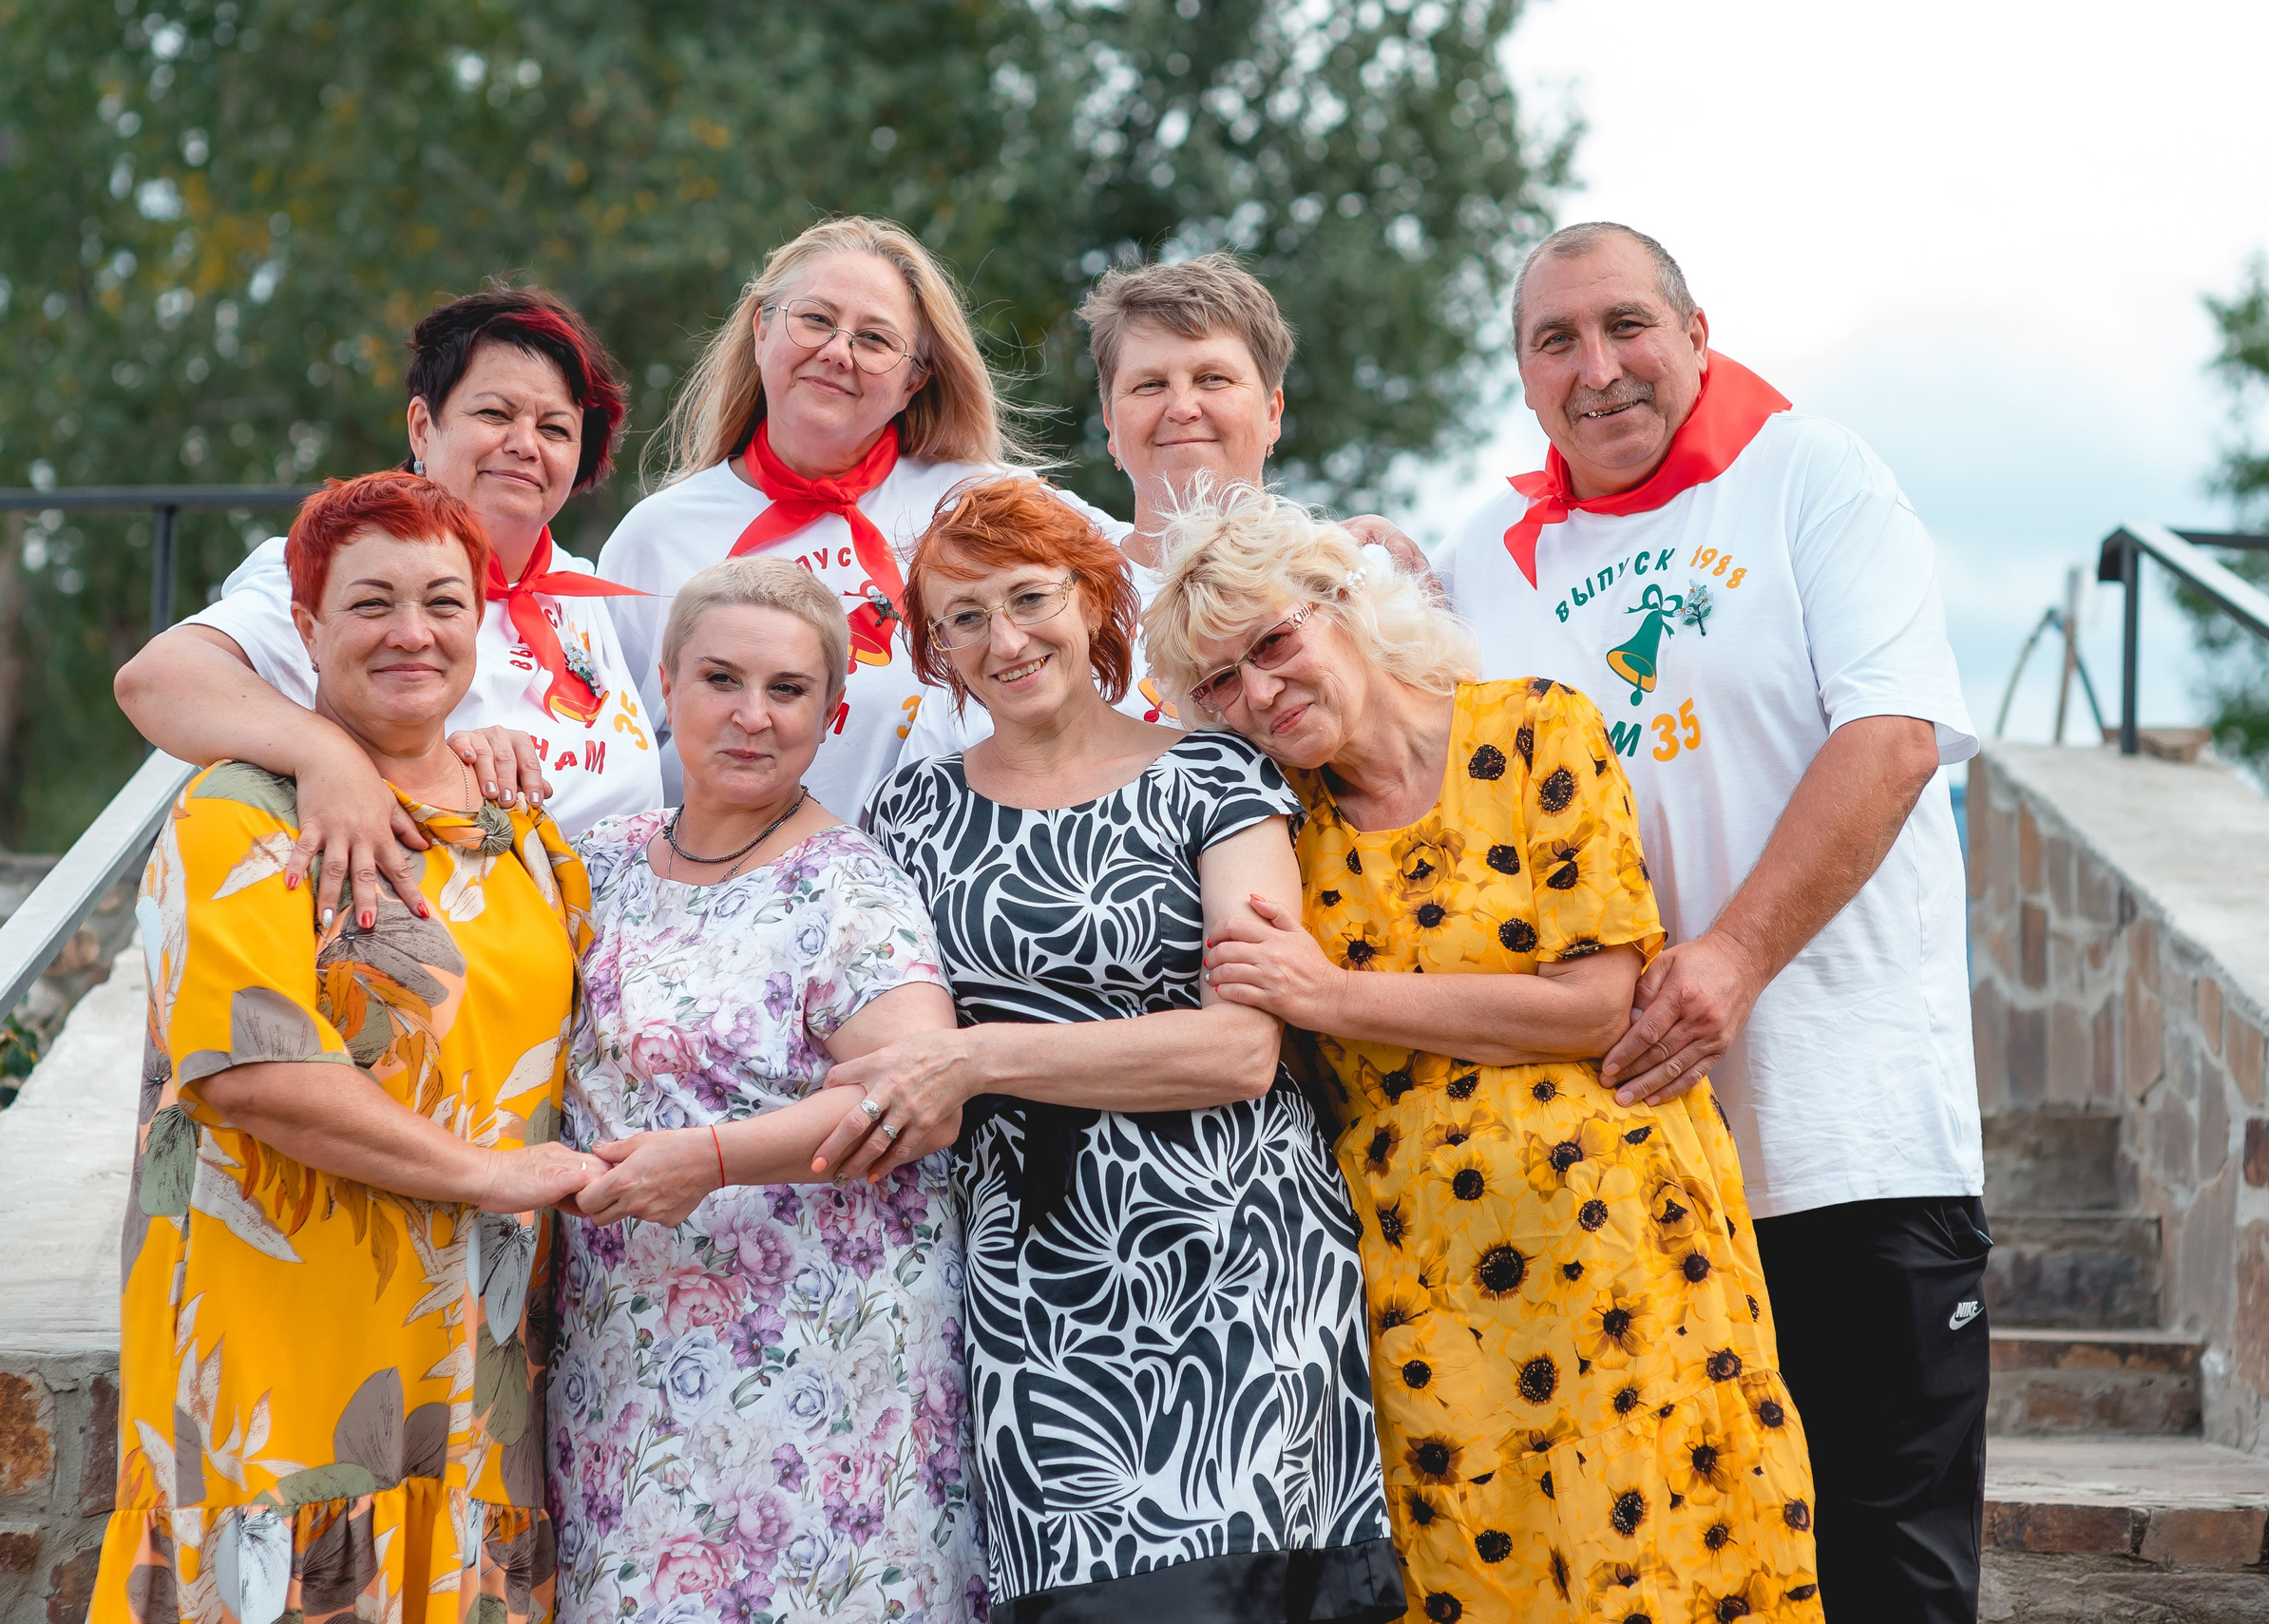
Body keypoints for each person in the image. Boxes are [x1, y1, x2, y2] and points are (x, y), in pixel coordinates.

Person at [1431, 221, 1984, 1623]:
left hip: (1847, 1137)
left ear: (1695, 331)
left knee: (1886, 1559)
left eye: (1627, 326)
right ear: (1521, 370)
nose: (1598, 368)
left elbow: (1894, 737)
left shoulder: (1812, 473)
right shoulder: (1485, 554)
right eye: (1554, 341)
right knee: (1677, 1571)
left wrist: (1731, 954)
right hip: (1616, 1163)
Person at [1146, 487, 1822, 1624]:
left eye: (1271, 642)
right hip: (1422, 1291)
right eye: (1219, 681)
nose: (1259, 691)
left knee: (1670, 1575)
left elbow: (1596, 1001)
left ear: (1337, 604)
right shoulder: (1268, 826)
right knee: (1475, 1579)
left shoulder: (1535, 727)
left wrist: (1336, 993)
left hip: (1628, 1261)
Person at [829, 477, 1401, 1621]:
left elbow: (1239, 1048)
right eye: (964, 618)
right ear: (934, 651)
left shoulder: (1215, 777)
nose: (1006, 638)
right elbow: (896, 1052)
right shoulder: (909, 815)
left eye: (1028, 597)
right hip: (1034, 1285)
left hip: (1235, 1261)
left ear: (1092, 599)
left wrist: (982, 1060)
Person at [91, 471, 599, 1624]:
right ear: (306, 627)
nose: (411, 631)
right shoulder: (240, 808)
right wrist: (492, 1178)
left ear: (484, 624)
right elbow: (256, 1072)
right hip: (286, 1342)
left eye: (443, 602)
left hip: (474, 1353)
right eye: (370, 604)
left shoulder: (515, 824)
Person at [544, 559, 982, 1624]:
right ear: (666, 684)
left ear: (831, 713)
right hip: (626, 1346)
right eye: (720, 679)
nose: (752, 716)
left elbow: (918, 1095)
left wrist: (711, 1159)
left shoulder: (847, 885)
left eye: (786, 690)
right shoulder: (595, 862)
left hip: (818, 1352)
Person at [114, 284, 653, 925]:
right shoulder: (346, 566)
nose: (525, 444)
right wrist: (326, 754)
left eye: (556, 428)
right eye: (495, 414)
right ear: (423, 426)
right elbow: (156, 680)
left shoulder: (585, 590)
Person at [598, 216, 1122, 822]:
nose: (837, 352)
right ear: (760, 327)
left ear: (914, 380)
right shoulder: (656, 536)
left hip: (964, 893)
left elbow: (1157, 566)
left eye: (874, 340)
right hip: (735, 902)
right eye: (815, 319)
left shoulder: (982, 500)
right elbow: (612, 758)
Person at [902, 250, 1427, 755]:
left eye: (1212, 378)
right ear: (1110, 426)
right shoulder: (1030, 604)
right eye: (1149, 385)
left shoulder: (1361, 581)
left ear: (1273, 411)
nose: (1181, 407)